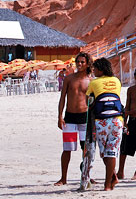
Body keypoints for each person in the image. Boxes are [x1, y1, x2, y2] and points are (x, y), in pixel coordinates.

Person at [55, 52, 92, 186]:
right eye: (78, 62)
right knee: (67, 148)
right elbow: (62, 98)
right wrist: (60, 116)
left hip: (84, 117)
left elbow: (91, 102)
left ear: (87, 64)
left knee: (86, 149)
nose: (80, 64)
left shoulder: (90, 80)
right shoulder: (69, 79)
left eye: (82, 62)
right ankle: (63, 177)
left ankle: (87, 175)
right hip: (69, 116)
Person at [87, 58, 125, 191]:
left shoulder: (94, 82)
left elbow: (89, 101)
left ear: (100, 69)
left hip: (102, 120)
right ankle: (111, 178)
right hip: (117, 119)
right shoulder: (116, 81)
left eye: (95, 69)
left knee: (104, 153)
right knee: (112, 151)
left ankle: (108, 183)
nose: (93, 71)